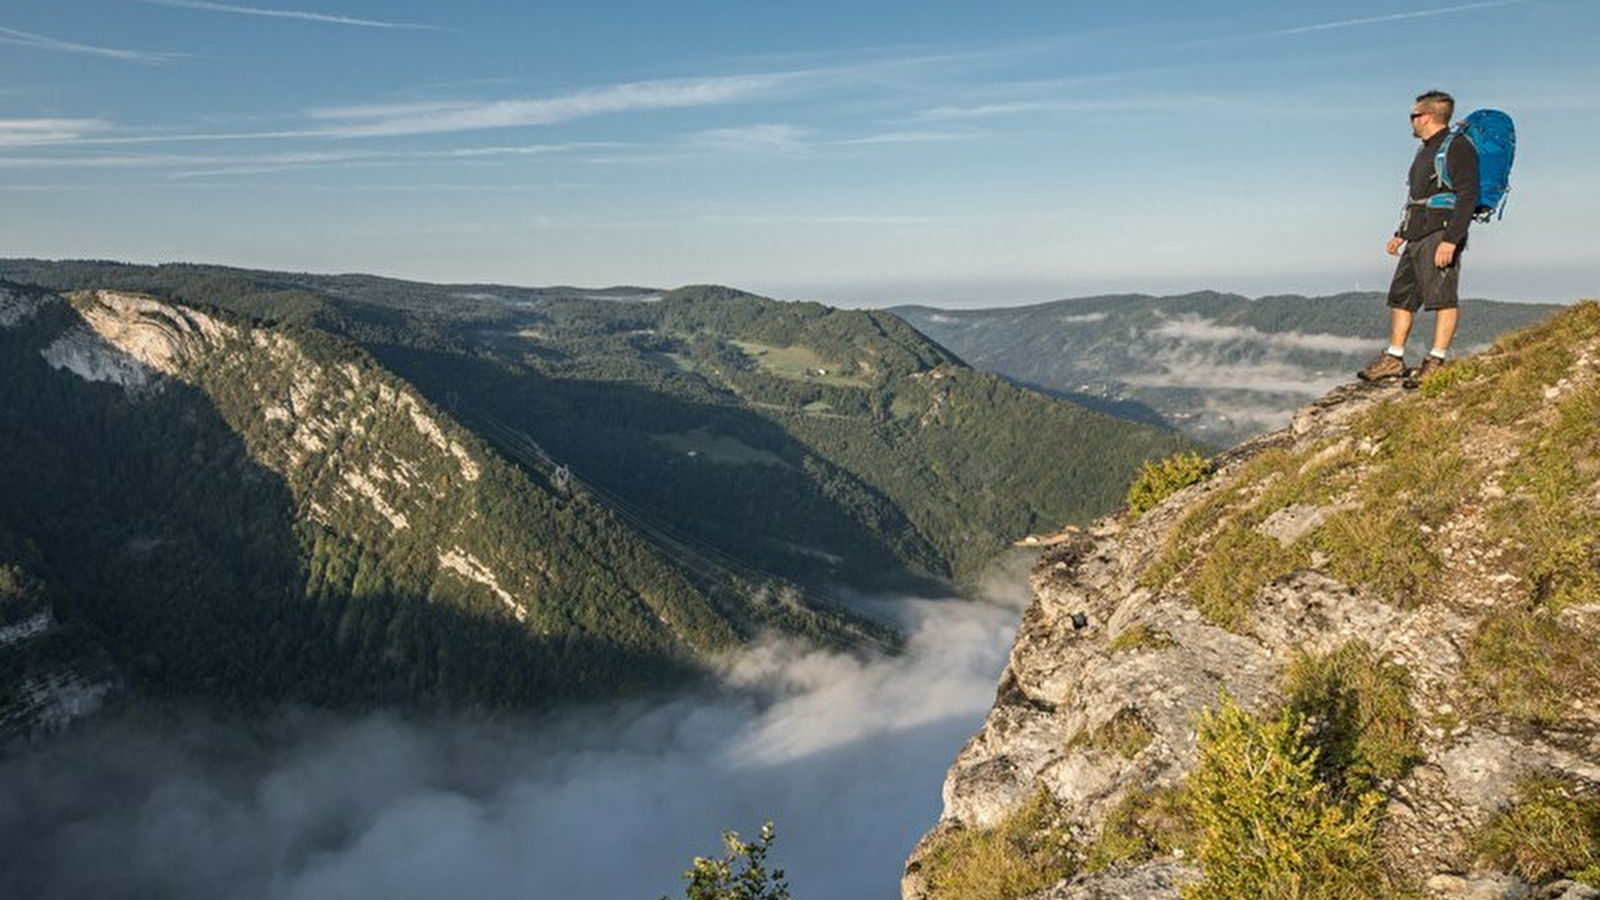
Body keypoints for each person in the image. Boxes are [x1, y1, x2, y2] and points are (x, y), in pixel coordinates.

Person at [1358, 89, 1479, 387]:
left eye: (1412, 116)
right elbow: (1420, 197)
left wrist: (1451, 240)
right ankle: (1394, 358)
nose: (1410, 121)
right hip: (1417, 235)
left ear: (1425, 117)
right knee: (1401, 297)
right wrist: (1401, 233)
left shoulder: (1457, 147)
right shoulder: (1426, 149)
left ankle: (1436, 359)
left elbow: (1468, 195)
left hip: (1441, 233)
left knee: (1443, 297)